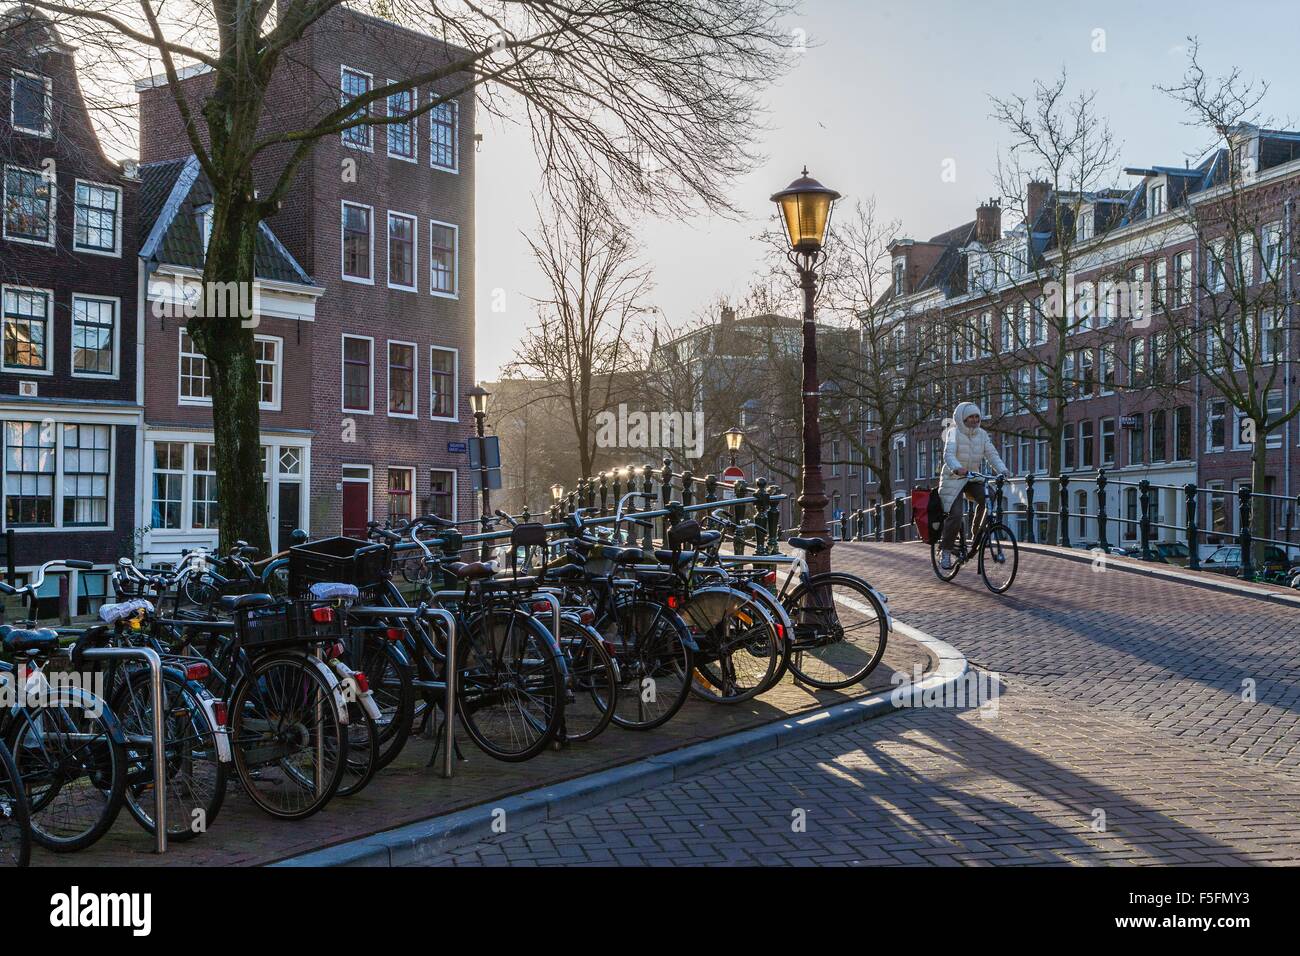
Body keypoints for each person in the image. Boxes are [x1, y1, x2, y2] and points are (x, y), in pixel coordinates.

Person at [937, 401, 1010, 571]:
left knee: (990, 497)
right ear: (963, 418)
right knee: (955, 514)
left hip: (972, 478)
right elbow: (948, 454)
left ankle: (977, 534)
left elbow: (991, 454)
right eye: (971, 416)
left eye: (977, 416)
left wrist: (1003, 470)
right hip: (953, 478)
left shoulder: (982, 435)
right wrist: (957, 467)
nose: (975, 419)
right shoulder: (953, 433)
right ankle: (945, 550)